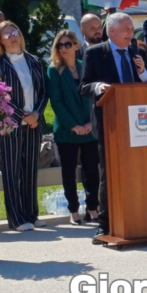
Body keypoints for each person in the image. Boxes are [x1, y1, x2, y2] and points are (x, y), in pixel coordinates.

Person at [80, 13, 147, 245]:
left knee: (138, 169)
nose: (131, 33)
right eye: (126, 29)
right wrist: (99, 86)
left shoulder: (138, 53)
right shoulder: (95, 53)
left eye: (132, 29)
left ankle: (138, 218)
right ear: (111, 31)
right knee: (109, 173)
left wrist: (142, 73)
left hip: (138, 123)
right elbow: (83, 86)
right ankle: (105, 223)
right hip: (109, 121)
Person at [0, 21, 49, 231]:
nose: (13, 36)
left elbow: (43, 92)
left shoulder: (34, 61)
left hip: (33, 123)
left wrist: (36, 115)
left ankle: (32, 213)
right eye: (7, 34)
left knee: (31, 169)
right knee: (12, 171)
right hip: (10, 125)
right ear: (0, 41)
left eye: (15, 32)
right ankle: (16, 218)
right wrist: (24, 115)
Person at [47, 30, 100, 225]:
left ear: (76, 46)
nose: (63, 49)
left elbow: (91, 96)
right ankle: (73, 211)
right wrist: (74, 126)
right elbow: (57, 102)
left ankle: (93, 208)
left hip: (88, 129)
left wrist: (88, 123)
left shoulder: (84, 66)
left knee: (92, 171)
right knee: (68, 172)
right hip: (67, 131)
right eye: (59, 45)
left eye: (67, 44)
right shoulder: (54, 70)